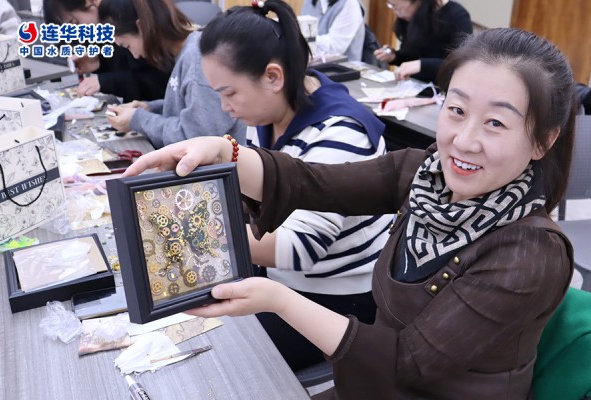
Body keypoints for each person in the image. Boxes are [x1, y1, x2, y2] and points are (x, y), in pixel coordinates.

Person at [124, 27, 576, 399]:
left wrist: (279, 299)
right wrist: (224, 151)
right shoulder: (424, 175)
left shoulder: (530, 254)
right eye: (456, 110)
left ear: (543, 140)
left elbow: (409, 362)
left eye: (496, 122)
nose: (464, 139)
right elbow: (314, 182)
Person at [198, 0, 393, 371]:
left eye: (230, 93)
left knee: (218, 355)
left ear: (273, 77)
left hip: (335, 303)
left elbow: (299, 249)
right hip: (281, 280)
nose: (225, 107)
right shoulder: (269, 113)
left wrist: (199, 238)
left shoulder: (340, 133)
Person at [98, 0, 245, 148]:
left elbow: (196, 139)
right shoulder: (190, 50)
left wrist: (138, 119)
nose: (134, 55)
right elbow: (192, 106)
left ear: (142, 27)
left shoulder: (196, 61)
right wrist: (150, 108)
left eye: (127, 46)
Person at [43, 0, 170, 102]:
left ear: (89, 2)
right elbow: (127, 66)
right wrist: (100, 62)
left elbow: (157, 85)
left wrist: (105, 81)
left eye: (75, 23)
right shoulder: (105, 24)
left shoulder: (126, 13)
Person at [374, 0, 472, 83]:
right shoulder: (412, 17)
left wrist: (422, 65)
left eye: (399, 8)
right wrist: (394, 56)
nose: (398, 14)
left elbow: (460, 64)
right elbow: (411, 57)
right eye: (392, 6)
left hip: (442, 89)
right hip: (413, 86)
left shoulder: (457, 16)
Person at [300, 0, 365, 62]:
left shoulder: (350, 3)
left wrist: (307, 39)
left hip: (340, 67)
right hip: (310, 65)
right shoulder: (309, 2)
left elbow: (335, 47)